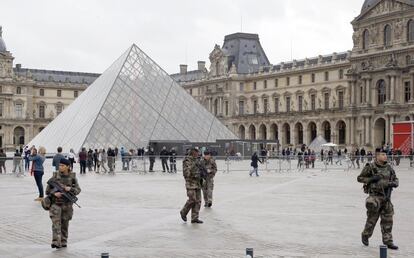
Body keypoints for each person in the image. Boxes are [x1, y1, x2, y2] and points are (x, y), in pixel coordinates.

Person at [357, 148, 399, 250]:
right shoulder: (370, 167)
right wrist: (371, 179)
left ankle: (388, 241)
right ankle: (366, 235)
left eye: (385, 154)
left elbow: (395, 179)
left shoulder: (389, 168)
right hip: (375, 196)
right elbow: (360, 178)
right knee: (372, 219)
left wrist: (394, 183)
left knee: (388, 220)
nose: (385, 156)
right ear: (377, 156)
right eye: (383, 154)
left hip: (386, 197)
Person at [45, 158, 81, 249]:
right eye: (59, 165)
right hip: (56, 204)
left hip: (67, 205)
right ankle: (56, 241)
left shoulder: (72, 178)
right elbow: (47, 191)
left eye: (62, 166)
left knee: (65, 223)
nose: (60, 167)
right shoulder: (54, 177)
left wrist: (70, 189)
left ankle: (64, 240)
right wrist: (54, 193)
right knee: (56, 224)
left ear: (68, 167)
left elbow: (78, 190)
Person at [180, 148, 203, 224]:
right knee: (192, 200)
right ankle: (183, 212)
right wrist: (194, 166)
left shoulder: (197, 160)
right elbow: (186, 173)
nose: (198, 154)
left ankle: (194, 218)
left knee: (198, 201)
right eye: (197, 153)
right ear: (193, 153)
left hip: (198, 183)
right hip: (190, 183)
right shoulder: (187, 161)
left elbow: (200, 170)